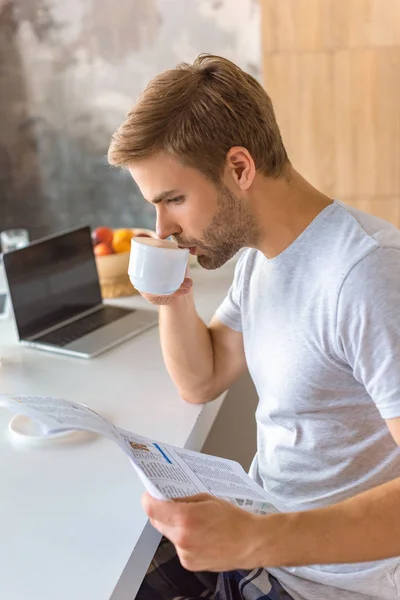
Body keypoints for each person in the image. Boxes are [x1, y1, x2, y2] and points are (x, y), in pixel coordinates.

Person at [108, 55, 400, 600]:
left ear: (240, 168)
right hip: (264, 542)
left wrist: (257, 540)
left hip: (324, 583)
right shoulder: (263, 257)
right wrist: (173, 296)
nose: (162, 228)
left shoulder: (367, 274)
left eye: (173, 199)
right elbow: (204, 376)